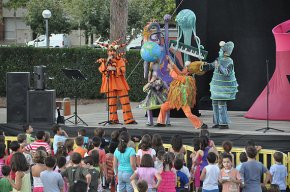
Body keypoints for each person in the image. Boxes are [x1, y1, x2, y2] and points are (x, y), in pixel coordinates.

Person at [155, 56, 207, 129]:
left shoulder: (188, 78)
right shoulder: (184, 75)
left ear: (188, 71)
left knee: (188, 114)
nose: (183, 69)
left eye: (185, 68)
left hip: (183, 101)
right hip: (175, 100)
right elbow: (178, 71)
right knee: (164, 107)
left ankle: (200, 124)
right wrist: (170, 60)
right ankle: (161, 122)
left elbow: (176, 76)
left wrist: (170, 69)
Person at [97, 40, 137, 125]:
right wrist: (107, 63)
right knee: (111, 103)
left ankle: (128, 119)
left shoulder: (120, 60)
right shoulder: (105, 61)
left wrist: (115, 69)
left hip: (120, 83)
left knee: (125, 101)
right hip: (110, 84)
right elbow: (102, 70)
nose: (112, 53)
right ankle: (113, 119)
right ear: (108, 53)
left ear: (115, 52)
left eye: (113, 51)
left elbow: (123, 70)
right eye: (110, 51)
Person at [200, 41, 238, 129]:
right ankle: (217, 122)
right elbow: (212, 65)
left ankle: (223, 123)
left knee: (221, 104)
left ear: (225, 51)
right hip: (216, 87)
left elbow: (227, 73)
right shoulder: (218, 59)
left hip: (223, 88)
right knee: (215, 103)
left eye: (221, 50)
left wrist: (219, 66)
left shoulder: (229, 61)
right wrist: (203, 66)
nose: (219, 51)